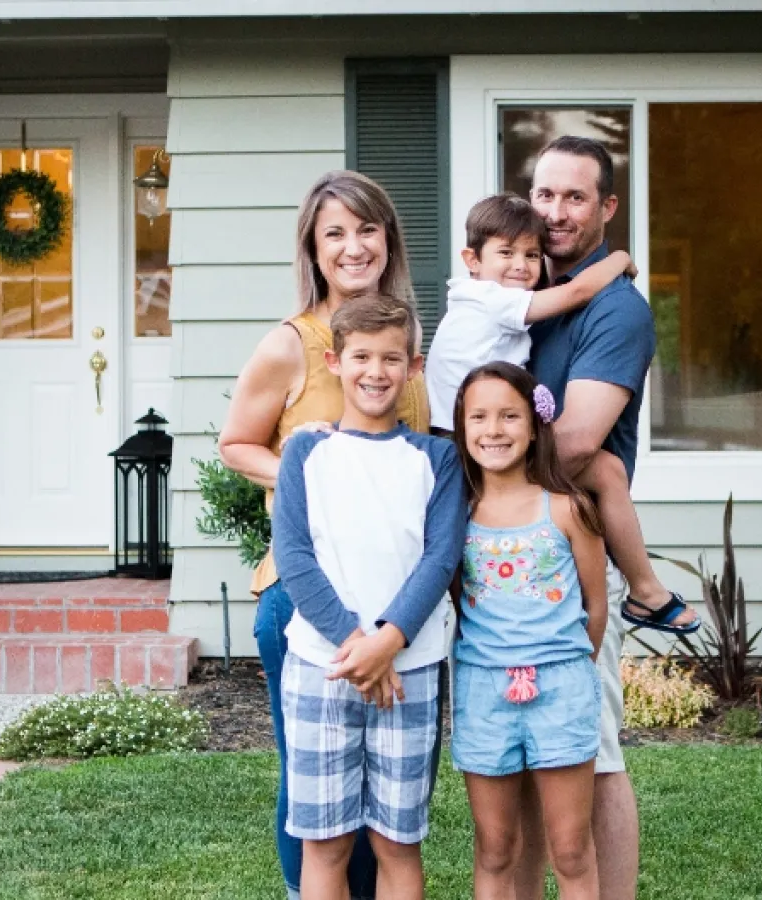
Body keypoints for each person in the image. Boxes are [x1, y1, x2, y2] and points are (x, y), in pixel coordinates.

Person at [218, 171, 431, 900]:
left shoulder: (405, 341)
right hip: (303, 598)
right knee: (314, 798)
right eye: (334, 232)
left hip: (397, 609)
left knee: (392, 802)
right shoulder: (293, 343)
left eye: (367, 229)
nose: (353, 246)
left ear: (388, 239)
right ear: (313, 246)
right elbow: (235, 443)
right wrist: (306, 471)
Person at [425, 193, 696, 635]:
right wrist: (621, 259)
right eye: (506, 253)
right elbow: (579, 291)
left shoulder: (482, 300)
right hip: (461, 448)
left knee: (605, 470)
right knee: (605, 471)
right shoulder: (492, 300)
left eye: (532, 254)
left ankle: (646, 591)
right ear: (471, 259)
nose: (520, 265)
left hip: (470, 440)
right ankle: (647, 591)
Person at [272, 293, 466, 900]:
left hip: (408, 669)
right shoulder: (307, 452)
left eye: (391, 358)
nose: (374, 371)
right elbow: (295, 557)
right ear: (334, 361)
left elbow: (440, 558)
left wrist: (389, 642)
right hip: (321, 668)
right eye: (361, 356)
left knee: (396, 842)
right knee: (325, 843)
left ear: (413, 366)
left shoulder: (437, 458)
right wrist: (359, 647)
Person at [513, 136, 656, 900]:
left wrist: (471, 468)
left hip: (573, 567)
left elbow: (574, 441)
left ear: (606, 208)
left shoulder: (616, 311)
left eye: (575, 198)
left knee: (592, 755)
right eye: (544, 195)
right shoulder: (519, 296)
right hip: (499, 557)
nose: (556, 212)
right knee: (524, 758)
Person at [449, 361, 610, 900]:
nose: (494, 430)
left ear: (535, 425)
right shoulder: (456, 515)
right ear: (462, 426)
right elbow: (456, 596)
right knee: (495, 847)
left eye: (509, 415)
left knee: (570, 848)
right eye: (480, 417)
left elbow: (595, 604)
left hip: (560, 689)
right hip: (483, 691)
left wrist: (566, 666)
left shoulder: (568, 510)